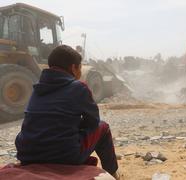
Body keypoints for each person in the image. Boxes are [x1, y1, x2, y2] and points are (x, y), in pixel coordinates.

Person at [15, 45, 119, 179]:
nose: (81, 72)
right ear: (73, 68)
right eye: (80, 68)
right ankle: (113, 173)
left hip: (27, 154)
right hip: (65, 156)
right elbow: (93, 122)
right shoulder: (79, 88)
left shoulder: (37, 88)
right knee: (103, 127)